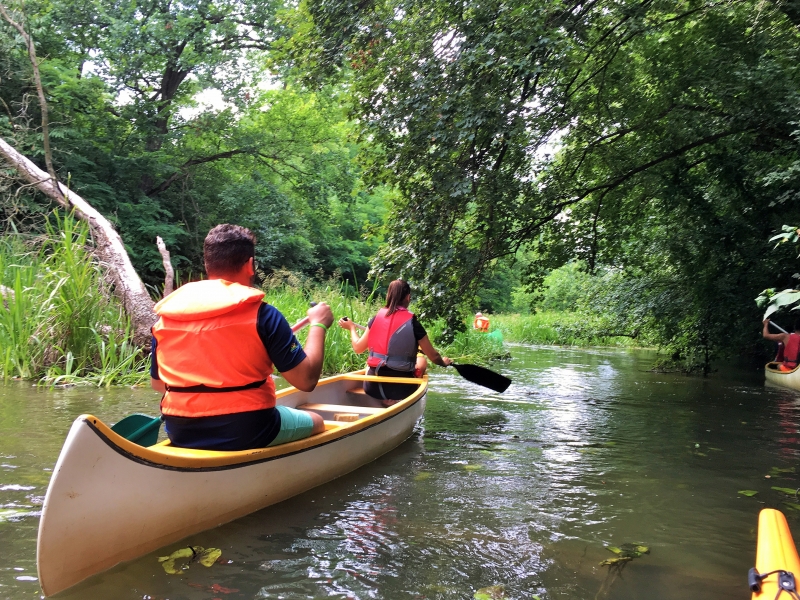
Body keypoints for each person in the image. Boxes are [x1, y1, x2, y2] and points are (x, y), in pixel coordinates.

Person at [150, 224, 334, 451]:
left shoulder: (166, 319)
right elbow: (306, 381)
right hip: (248, 429)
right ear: (250, 264)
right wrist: (318, 324)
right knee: (317, 421)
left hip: (180, 430)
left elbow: (158, 384)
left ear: (208, 265)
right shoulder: (264, 315)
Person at [338, 279, 452, 406]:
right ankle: (397, 401)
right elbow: (434, 356)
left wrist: (351, 328)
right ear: (408, 297)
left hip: (373, 388)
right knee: (421, 362)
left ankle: (384, 401)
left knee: (369, 365)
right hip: (402, 389)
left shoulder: (376, 319)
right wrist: (443, 363)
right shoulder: (413, 324)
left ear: (388, 296)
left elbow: (358, 348)